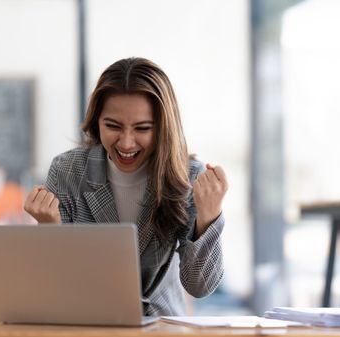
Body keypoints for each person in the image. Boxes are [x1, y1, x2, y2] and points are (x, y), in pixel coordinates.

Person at [23, 57, 228, 316]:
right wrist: (49, 231)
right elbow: (54, 286)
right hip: (88, 327)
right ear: (97, 121)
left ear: (164, 128)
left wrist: (209, 218)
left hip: (163, 330)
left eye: (142, 128)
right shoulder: (68, 171)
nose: (127, 143)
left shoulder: (188, 176)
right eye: (113, 126)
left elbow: (200, 286)